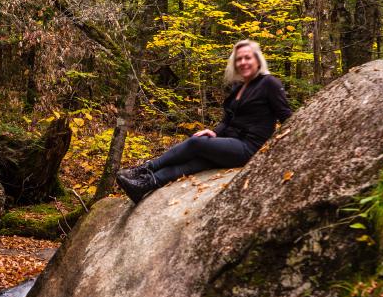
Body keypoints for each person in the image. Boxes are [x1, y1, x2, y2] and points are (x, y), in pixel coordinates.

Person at [116, 39, 292, 203]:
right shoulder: (239, 86)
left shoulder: (269, 83)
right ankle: (145, 184)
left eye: (248, 58)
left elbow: (287, 117)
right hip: (230, 143)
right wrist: (214, 132)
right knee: (195, 161)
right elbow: (227, 120)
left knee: (196, 143)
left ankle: (145, 169)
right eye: (239, 59)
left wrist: (283, 151)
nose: (243, 62)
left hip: (249, 147)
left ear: (258, 61)